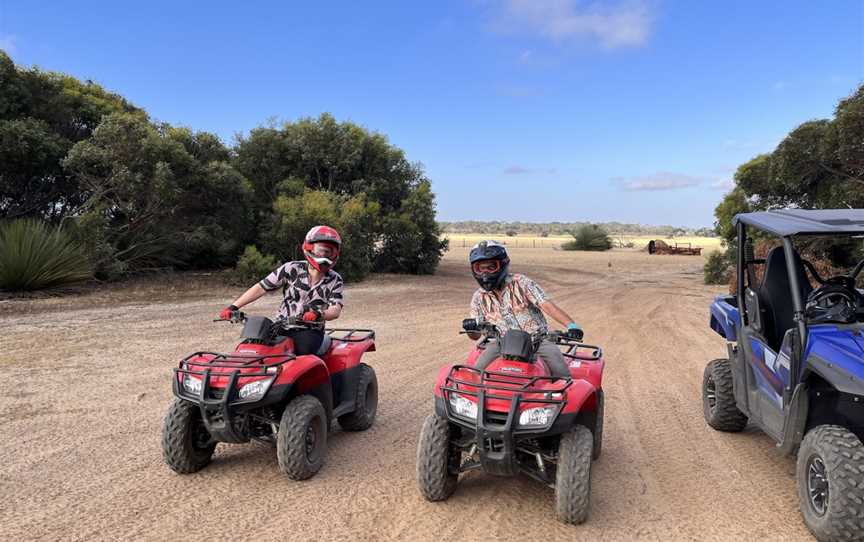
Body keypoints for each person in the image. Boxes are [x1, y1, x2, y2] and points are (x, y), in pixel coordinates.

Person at [218, 225, 344, 355]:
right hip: (281, 326)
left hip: (310, 330)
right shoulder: (291, 268)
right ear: (309, 248)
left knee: (301, 355)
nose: (323, 255)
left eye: (328, 252)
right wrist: (233, 307)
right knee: (255, 346)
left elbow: (335, 310)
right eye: (320, 250)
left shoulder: (335, 279)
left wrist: (319, 314)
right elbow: (261, 287)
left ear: (335, 254)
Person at [465, 240, 582, 378]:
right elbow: (475, 336)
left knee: (561, 375)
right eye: (480, 268)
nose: (485, 273)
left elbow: (546, 305)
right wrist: (470, 328)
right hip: (501, 343)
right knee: (475, 375)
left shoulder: (521, 283)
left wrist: (572, 325)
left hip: (537, 341)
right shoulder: (478, 298)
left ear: (503, 265)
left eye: (491, 267)